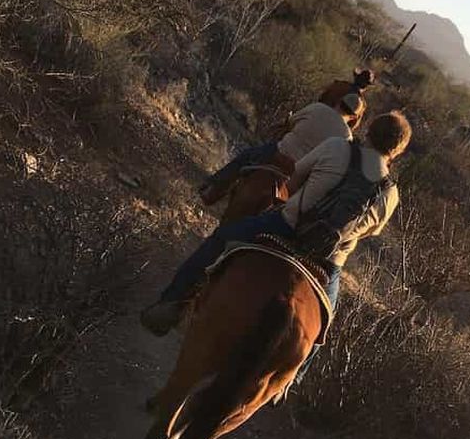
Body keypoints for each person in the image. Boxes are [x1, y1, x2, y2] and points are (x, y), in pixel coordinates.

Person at [141, 111, 413, 337]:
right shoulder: (391, 193)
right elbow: (368, 232)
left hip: (285, 226)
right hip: (327, 258)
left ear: (369, 131)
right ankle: (291, 379)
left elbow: (292, 181)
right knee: (321, 325)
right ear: (397, 151)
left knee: (222, 239)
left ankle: (171, 303)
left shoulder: (337, 146)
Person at [199, 93, 366, 205]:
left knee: (245, 157)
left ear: (339, 101)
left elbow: (291, 122)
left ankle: (213, 187)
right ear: (353, 117)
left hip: (278, 153)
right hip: (296, 177)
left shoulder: (317, 108)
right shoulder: (346, 137)